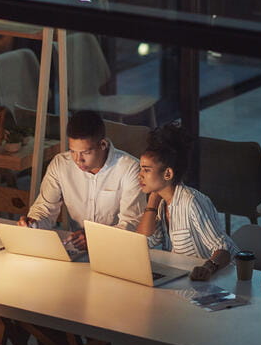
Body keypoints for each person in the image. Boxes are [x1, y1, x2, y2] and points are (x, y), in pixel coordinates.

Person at [18, 110, 144, 250]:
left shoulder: (129, 168)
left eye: (86, 152)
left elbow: (132, 224)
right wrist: (33, 223)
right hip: (77, 249)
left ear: (102, 144)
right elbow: (45, 209)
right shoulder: (61, 164)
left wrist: (94, 238)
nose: (78, 160)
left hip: (117, 250)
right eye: (73, 151)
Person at [136, 123, 238, 280]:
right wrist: (152, 202)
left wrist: (208, 268)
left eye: (146, 170)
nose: (140, 175)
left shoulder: (192, 202)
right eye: (140, 168)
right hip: (180, 280)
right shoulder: (162, 203)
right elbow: (145, 240)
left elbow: (225, 247)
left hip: (208, 283)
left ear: (168, 174)